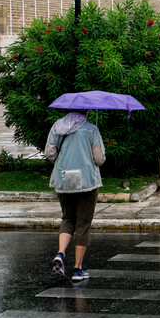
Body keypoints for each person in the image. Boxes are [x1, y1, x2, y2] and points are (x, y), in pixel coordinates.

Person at [45, 109, 106, 281]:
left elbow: (50, 153)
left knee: (68, 218)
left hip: (63, 179)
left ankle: (61, 253)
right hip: (87, 181)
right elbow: (98, 159)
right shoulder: (91, 129)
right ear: (86, 112)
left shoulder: (57, 127)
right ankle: (78, 269)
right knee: (83, 223)